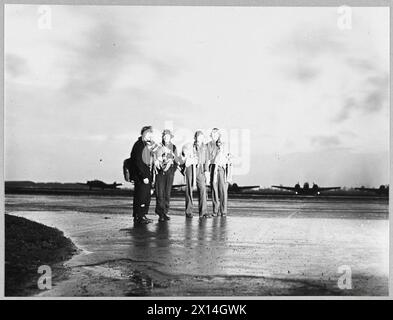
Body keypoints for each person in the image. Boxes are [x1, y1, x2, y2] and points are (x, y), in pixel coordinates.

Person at [130, 125, 156, 224]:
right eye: (148, 133)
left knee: (145, 196)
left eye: (151, 134)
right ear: (143, 134)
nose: (150, 136)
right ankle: (139, 216)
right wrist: (143, 176)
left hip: (145, 174)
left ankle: (142, 215)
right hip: (141, 176)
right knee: (141, 196)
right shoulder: (139, 145)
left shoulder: (145, 145)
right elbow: (138, 161)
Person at [182, 130, 210, 219]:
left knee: (202, 189)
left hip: (200, 169)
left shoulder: (205, 148)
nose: (199, 138)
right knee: (189, 189)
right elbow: (184, 154)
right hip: (190, 168)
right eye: (198, 137)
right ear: (195, 138)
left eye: (201, 137)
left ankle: (203, 212)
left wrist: (206, 171)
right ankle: (189, 212)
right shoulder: (190, 146)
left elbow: (207, 160)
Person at [154, 129, 180, 222]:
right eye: (164, 136)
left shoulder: (174, 147)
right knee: (160, 193)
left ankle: (165, 212)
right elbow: (154, 157)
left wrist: (172, 170)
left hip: (169, 173)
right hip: (160, 173)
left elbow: (177, 160)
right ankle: (160, 213)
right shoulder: (158, 147)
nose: (166, 138)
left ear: (170, 137)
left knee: (167, 194)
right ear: (162, 137)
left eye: (167, 136)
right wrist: (157, 163)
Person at [207, 128, 231, 216]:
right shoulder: (208, 145)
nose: (214, 135)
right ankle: (215, 210)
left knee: (223, 190)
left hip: (222, 168)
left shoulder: (223, 145)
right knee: (214, 189)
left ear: (219, 135)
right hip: (213, 167)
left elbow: (228, 156)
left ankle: (223, 211)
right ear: (211, 135)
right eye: (212, 134)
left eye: (216, 134)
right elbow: (207, 158)